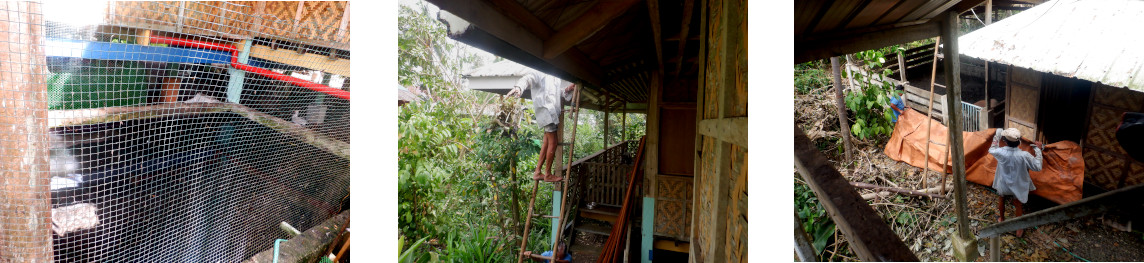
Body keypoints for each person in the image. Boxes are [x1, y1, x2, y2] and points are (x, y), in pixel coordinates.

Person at [506, 70, 577, 182]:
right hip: (546, 111)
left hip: (552, 112)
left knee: (546, 142)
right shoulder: (540, 72)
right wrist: (519, 87)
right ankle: (548, 174)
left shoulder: (555, 77)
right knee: (553, 142)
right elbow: (528, 78)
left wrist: (568, 89)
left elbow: (558, 93)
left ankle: (538, 172)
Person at [988, 128, 1043, 237]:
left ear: (1005, 141)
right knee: (1018, 204)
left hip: (1003, 185)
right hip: (1018, 186)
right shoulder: (1024, 155)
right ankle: (1019, 229)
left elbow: (992, 149)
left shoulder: (1000, 152)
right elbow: (1038, 166)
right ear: (1019, 142)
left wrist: (997, 135)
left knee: (1001, 199)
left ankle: (1001, 218)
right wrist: (1038, 150)